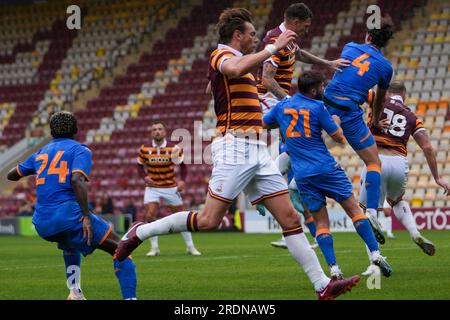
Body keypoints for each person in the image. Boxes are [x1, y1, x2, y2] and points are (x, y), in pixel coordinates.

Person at [117, 8, 360, 300]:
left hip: (257, 149)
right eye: (252, 34)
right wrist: (273, 46)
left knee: (291, 219)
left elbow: (232, 80)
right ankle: (139, 233)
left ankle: (323, 285)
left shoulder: (243, 64)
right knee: (208, 220)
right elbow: (230, 70)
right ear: (237, 36)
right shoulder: (220, 55)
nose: (257, 38)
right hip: (235, 146)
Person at [263, 70, 392, 279]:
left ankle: (334, 268)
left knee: (321, 223)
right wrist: (336, 120)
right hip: (326, 168)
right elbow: (339, 138)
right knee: (354, 211)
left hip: (303, 176)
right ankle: (376, 254)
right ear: (314, 90)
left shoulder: (281, 107)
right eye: (322, 87)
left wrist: (284, 125)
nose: (325, 89)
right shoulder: (318, 107)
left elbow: (265, 123)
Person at [7, 111, 137, 300]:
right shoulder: (80, 150)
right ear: (76, 130)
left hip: (42, 224)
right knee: (121, 249)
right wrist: (86, 215)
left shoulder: (40, 154)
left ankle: (75, 292)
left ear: (51, 132)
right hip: (68, 216)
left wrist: (37, 169)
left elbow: (11, 174)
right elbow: (77, 179)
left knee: (70, 244)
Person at [255, 2, 350, 249]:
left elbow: (298, 54)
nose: (308, 29)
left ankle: (299, 226)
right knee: (297, 146)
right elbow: (266, 79)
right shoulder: (274, 40)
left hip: (279, 103)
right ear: (295, 22)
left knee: (294, 155)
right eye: (306, 26)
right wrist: (290, 103)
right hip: (268, 102)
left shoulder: (288, 39)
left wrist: (327, 63)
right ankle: (265, 193)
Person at [359, 81, 450, 275]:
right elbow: (427, 147)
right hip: (400, 163)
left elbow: (355, 91)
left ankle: (374, 264)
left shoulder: (377, 98)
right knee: (397, 201)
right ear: (404, 95)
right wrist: (437, 178)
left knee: (367, 212)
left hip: (376, 158)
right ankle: (415, 233)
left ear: (388, 91)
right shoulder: (412, 116)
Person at [322, 16, 395, 245]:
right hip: (351, 112)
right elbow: (379, 101)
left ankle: (290, 179)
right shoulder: (385, 67)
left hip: (326, 105)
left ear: (368, 35)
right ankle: (372, 212)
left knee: (307, 147)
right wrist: (374, 122)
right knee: (373, 162)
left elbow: (347, 74)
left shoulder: (350, 47)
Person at [137, 122, 201, 256]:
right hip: (152, 187)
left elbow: (183, 166)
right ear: (151, 133)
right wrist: (144, 176)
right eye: (154, 129)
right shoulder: (144, 149)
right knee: (150, 216)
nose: (157, 131)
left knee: (182, 217)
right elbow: (139, 166)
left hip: (170, 187)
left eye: (160, 129)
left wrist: (182, 180)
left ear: (165, 132)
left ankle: (190, 246)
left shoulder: (174, 148)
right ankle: (154, 248)